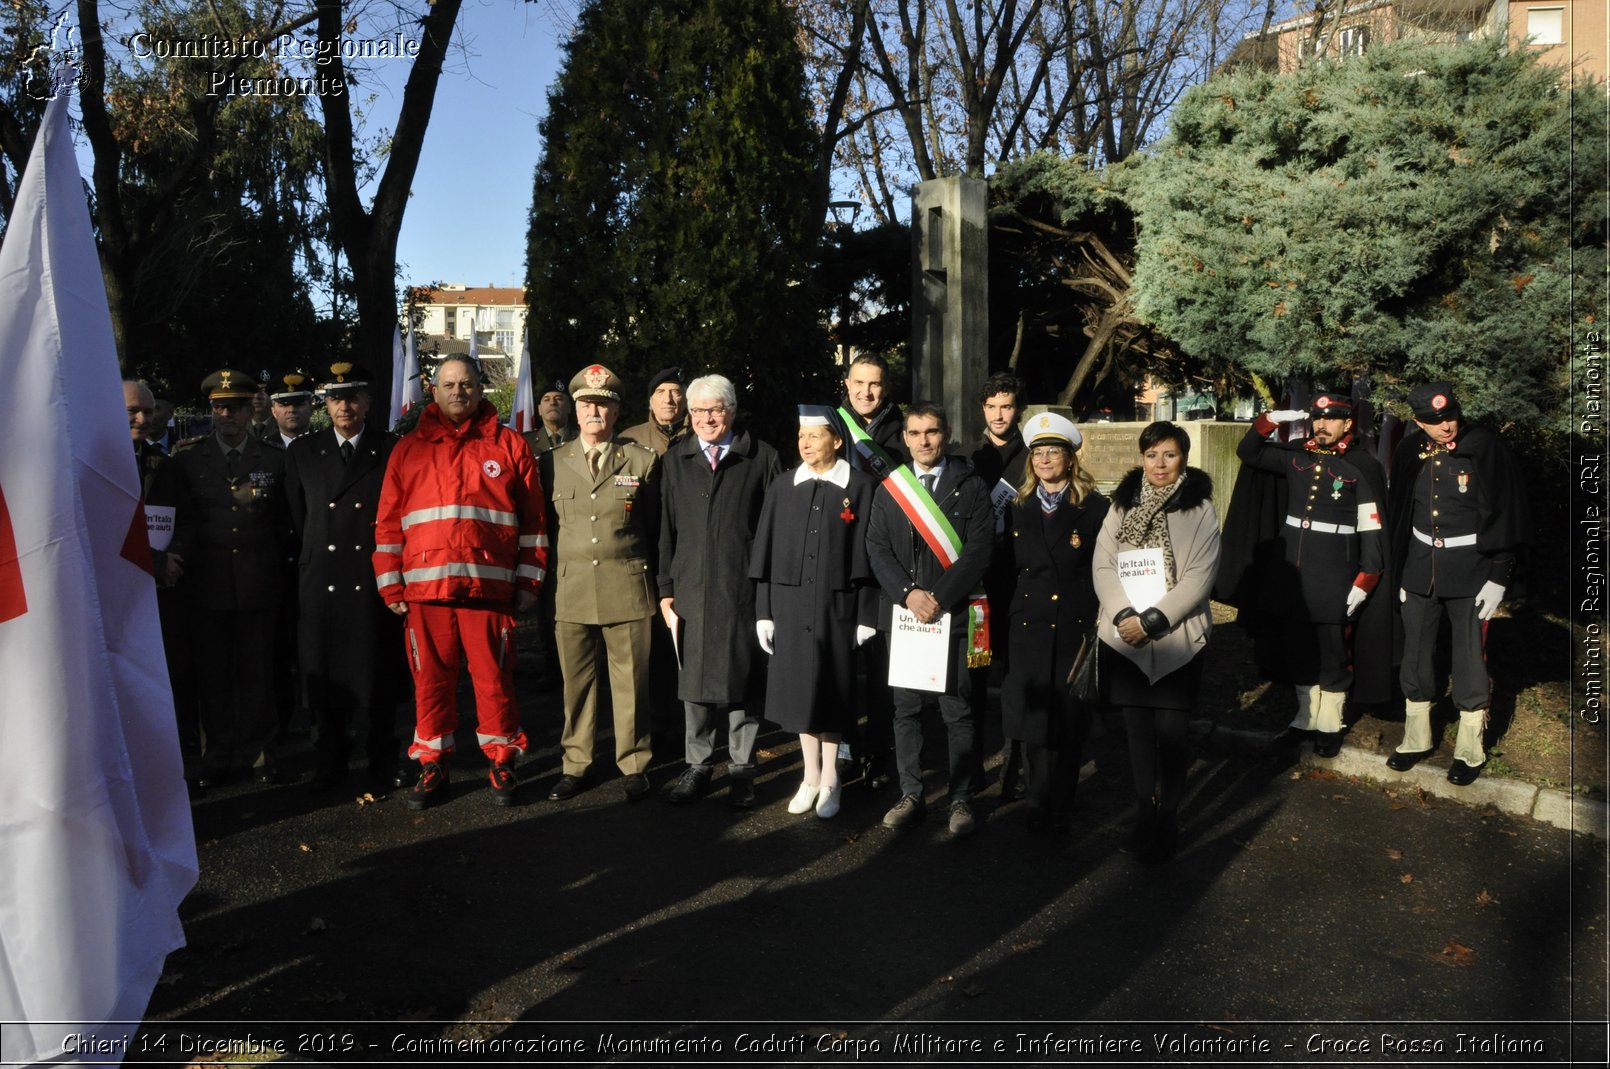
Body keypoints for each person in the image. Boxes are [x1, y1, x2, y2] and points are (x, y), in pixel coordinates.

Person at [373, 356, 546, 809]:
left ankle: (503, 758)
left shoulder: (509, 446)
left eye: (466, 384)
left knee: (494, 681)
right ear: (434, 391)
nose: (457, 392)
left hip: (489, 591)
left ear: (480, 388)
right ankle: (433, 763)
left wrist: (529, 581)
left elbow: (534, 521)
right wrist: (391, 584)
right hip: (425, 594)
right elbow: (388, 524)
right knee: (429, 682)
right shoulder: (408, 450)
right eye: (448, 384)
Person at [1225, 392, 1388, 757]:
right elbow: (1248, 452)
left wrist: (1367, 576)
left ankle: (1330, 721)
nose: (1322, 425)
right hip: (1294, 574)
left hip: (1335, 571)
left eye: (1331, 419)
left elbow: (1372, 526)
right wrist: (1270, 420)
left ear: (1347, 424)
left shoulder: (1361, 465)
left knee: (1332, 649)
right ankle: (1305, 718)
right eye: (1317, 418)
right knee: (1297, 646)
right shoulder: (1297, 455)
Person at [1385, 382, 1531, 785]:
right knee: (1416, 651)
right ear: (1417, 422)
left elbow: (1505, 510)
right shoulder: (1408, 449)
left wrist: (1499, 574)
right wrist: (1399, 570)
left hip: (1470, 568)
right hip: (1419, 566)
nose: (1445, 427)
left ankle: (1470, 747)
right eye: (1433, 422)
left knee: (1469, 658)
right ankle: (1415, 738)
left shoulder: (1484, 445)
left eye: (1449, 417)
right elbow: (1400, 512)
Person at [865, 402, 994, 838]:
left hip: (952, 614)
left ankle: (960, 798)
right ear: (904, 438)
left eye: (932, 432)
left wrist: (937, 597)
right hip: (905, 615)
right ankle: (911, 793)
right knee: (906, 710)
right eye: (916, 433)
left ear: (947, 434)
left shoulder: (970, 485)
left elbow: (978, 551)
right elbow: (877, 548)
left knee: (958, 709)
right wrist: (909, 594)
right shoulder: (890, 489)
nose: (924, 441)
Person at [1093, 421, 1219, 864]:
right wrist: (1126, 616)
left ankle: (1168, 817)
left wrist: (1153, 619)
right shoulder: (1122, 504)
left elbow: (1199, 576)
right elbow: (1104, 563)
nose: (1159, 464)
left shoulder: (1200, 507)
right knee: (1137, 735)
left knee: (1171, 734)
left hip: (1176, 636)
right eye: (1151, 455)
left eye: (1168, 455)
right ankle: (1143, 815)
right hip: (1125, 637)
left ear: (1183, 457)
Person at [658, 375, 782, 808]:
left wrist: (769, 592)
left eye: (714, 409)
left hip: (741, 591)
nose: (706, 419)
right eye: (697, 411)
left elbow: (773, 531)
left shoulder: (762, 457)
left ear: (730, 411)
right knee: (692, 682)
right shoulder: (676, 460)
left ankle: (743, 769)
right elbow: (665, 531)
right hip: (689, 588)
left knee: (740, 681)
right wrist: (665, 587)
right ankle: (698, 765)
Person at [539, 363, 661, 804]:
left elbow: (653, 529)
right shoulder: (551, 464)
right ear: (575, 408)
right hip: (570, 590)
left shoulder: (643, 461)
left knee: (631, 683)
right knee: (577, 684)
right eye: (588, 403)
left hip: (626, 587)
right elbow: (545, 531)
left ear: (615, 410)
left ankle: (633, 762)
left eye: (604, 404)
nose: (595, 410)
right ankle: (576, 764)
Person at [164, 367, 291, 788]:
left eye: (235, 408)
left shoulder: (274, 459)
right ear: (211, 410)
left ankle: (258, 754)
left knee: (258, 673)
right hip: (206, 584)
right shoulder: (187, 460)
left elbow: (285, 521)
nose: (227, 416)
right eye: (220, 408)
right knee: (212, 676)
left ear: (248, 410)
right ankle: (216, 756)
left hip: (258, 582)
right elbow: (179, 519)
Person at [751, 406, 879, 819]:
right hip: (789, 607)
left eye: (815, 436)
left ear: (837, 441)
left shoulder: (860, 487)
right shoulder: (783, 486)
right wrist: (764, 612)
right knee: (798, 694)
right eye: (801, 436)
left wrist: (865, 615)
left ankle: (831, 781)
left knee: (832, 692)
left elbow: (870, 556)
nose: (805, 443)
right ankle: (809, 776)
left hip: (835, 607)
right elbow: (765, 554)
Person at [284, 361, 405, 795]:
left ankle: (382, 757)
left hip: (371, 574)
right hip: (323, 577)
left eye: (353, 397)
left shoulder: (391, 448)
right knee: (326, 671)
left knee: (378, 672)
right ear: (325, 405)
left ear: (368, 402)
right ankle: (331, 758)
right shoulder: (303, 450)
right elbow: (297, 517)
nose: (344, 407)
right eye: (336, 398)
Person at [1000, 413, 1108, 831]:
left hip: (1072, 622)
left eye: (1054, 452)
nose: (1045, 460)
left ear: (1070, 458)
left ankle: (1060, 797)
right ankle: (1035, 799)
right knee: (1031, 715)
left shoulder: (1095, 507)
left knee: (1066, 717)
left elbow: (1105, 567)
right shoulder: (1017, 507)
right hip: (1028, 621)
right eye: (1039, 453)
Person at [835, 353, 907, 790]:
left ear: (886, 388)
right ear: (846, 383)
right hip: (840, 561)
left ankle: (880, 751)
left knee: (883, 670)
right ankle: (844, 749)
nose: (866, 392)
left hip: (884, 563)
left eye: (875, 384)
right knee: (841, 664)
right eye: (858, 383)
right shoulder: (832, 425)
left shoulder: (903, 433)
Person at [969, 372, 1029, 797]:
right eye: (991, 406)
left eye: (1006, 406)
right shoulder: (968, 458)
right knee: (974, 672)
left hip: (1020, 581)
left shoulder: (1035, 456)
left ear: (1018, 410)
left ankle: (1015, 761)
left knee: (1014, 675)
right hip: (978, 584)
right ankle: (970, 762)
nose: (998, 414)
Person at [621, 366, 689, 455]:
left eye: (675, 392)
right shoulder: (628, 439)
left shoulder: (701, 436)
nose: (668, 400)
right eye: (660, 392)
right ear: (651, 400)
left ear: (686, 399)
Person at [522, 376, 577, 454]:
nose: (552, 403)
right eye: (547, 399)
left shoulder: (582, 438)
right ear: (539, 409)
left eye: (558, 398)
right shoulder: (525, 441)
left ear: (569, 407)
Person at [269, 371, 315, 448]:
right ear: (273, 411)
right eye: (284, 405)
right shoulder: (262, 451)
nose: (291, 409)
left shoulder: (329, 447)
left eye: (298, 404)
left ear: (311, 408)